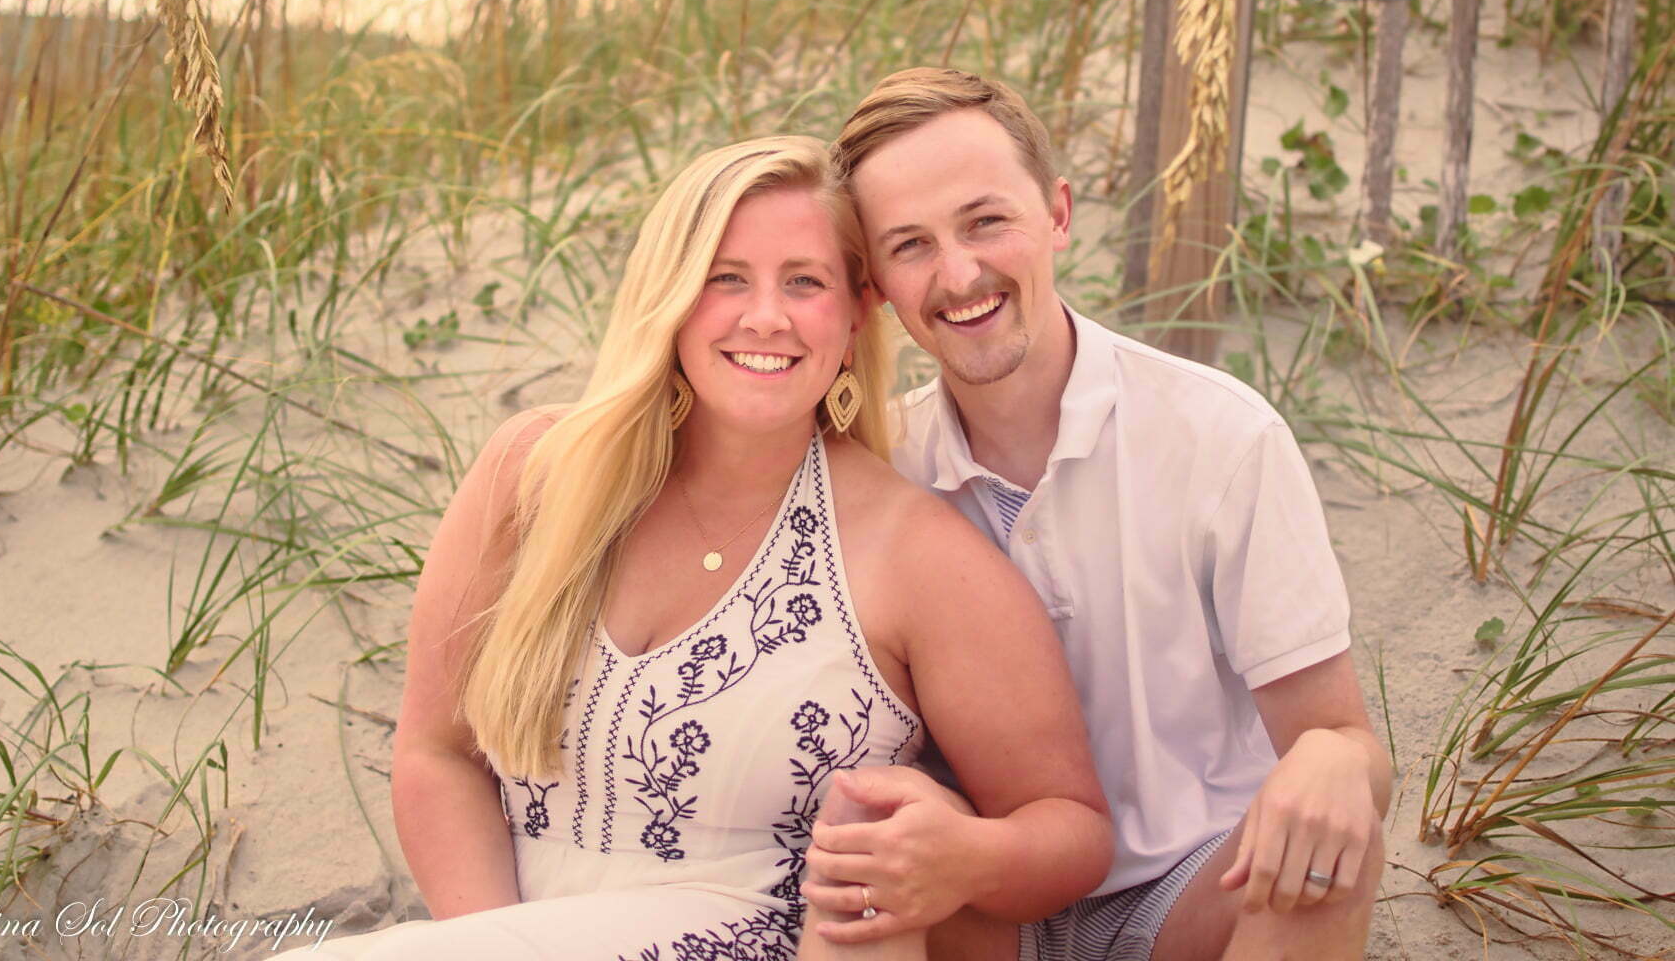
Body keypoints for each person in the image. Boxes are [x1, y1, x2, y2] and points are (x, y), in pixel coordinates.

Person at [284, 136, 1111, 960]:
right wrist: (494, 941)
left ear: (857, 310)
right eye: (726, 278)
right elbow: (439, 754)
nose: (766, 317)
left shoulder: (917, 554)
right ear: (670, 294)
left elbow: (1068, 830)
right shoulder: (531, 476)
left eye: (805, 282)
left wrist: (962, 857)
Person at [798, 69, 1392, 961]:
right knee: (865, 857)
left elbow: (1342, 740)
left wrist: (1338, 762)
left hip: (1190, 879)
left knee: (1326, 862)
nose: (959, 274)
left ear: (1058, 215)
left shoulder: (1220, 436)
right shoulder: (880, 467)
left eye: (986, 220)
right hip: (987, 891)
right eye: (910, 245)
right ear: (875, 284)